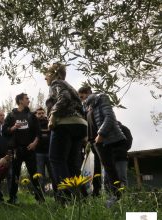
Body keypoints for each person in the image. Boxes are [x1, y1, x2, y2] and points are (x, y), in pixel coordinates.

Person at [44, 63, 87, 202]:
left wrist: (53, 116)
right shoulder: (70, 86)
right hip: (79, 125)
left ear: (55, 74)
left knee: (56, 159)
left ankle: (66, 198)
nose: (45, 78)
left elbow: (64, 97)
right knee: (72, 164)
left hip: (64, 124)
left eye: (47, 74)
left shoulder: (56, 84)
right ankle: (81, 198)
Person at [84, 93, 127, 207]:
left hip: (103, 139)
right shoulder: (88, 107)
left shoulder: (101, 98)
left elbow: (110, 117)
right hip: (95, 142)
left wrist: (101, 133)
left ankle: (118, 197)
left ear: (88, 93)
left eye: (83, 96)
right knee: (106, 170)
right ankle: (112, 196)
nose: (82, 99)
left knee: (111, 169)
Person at [3, 93, 44, 204]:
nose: (29, 100)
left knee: (34, 174)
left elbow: (38, 133)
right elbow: (4, 131)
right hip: (16, 150)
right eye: (27, 99)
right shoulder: (11, 115)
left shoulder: (31, 115)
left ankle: (40, 198)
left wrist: (35, 143)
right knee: (15, 174)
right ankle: (12, 198)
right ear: (20, 101)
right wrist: (13, 127)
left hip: (30, 149)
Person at [34, 106, 53, 193]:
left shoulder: (49, 122)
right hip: (38, 153)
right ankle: (41, 197)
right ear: (36, 115)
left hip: (49, 152)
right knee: (40, 175)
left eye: (42, 113)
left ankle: (58, 195)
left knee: (53, 174)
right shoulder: (34, 124)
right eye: (39, 113)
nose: (41, 115)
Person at [0, 110, 11, 202]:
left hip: (7, 152)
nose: (2, 117)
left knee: (9, 174)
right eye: (0, 115)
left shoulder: (8, 126)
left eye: (3, 115)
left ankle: (12, 197)